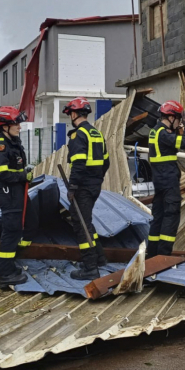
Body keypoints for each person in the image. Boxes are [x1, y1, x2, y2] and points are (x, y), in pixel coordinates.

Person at [0, 106, 36, 289]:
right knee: (11, 232)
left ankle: (12, 262)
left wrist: (23, 173)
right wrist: (23, 176)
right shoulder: (1, 145)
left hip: (18, 193)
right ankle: (5, 274)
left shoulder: (13, 143)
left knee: (30, 222)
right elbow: (0, 174)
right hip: (9, 194)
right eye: (16, 124)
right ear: (5, 126)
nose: (19, 127)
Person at [64, 97, 110, 280]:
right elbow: (106, 162)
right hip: (94, 185)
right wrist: (97, 179)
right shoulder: (96, 133)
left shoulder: (78, 135)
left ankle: (90, 268)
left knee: (81, 225)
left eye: (70, 114)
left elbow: (78, 163)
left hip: (82, 186)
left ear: (74, 114)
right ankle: (99, 258)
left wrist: (73, 187)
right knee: (87, 222)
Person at [146, 100, 185, 258]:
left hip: (159, 181)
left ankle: (152, 255)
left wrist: (177, 131)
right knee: (171, 217)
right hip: (168, 180)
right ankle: (163, 257)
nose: (179, 122)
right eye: (179, 119)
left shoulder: (156, 131)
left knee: (158, 217)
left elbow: (168, 146)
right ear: (171, 117)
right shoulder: (163, 133)